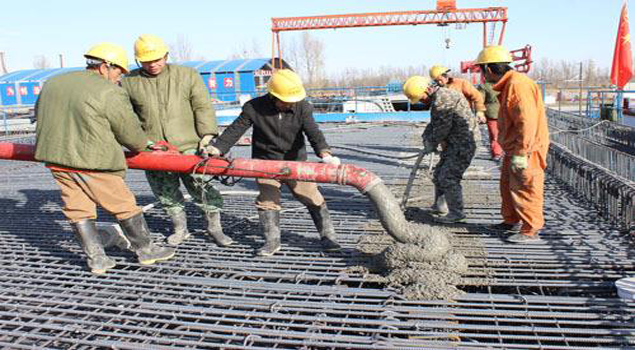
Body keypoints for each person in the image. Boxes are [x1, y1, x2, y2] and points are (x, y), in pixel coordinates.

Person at [34, 43, 175, 274]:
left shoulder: (54, 82)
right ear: (106, 67)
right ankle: (147, 250)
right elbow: (131, 136)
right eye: (118, 72)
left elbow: (40, 114)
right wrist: (146, 144)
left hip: (56, 158)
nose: (118, 78)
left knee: (78, 209)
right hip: (92, 161)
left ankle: (97, 260)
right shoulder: (108, 91)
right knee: (123, 204)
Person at [206, 69, 341, 256]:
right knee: (267, 201)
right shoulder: (253, 108)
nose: (289, 104)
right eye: (285, 101)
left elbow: (313, 132)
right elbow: (236, 129)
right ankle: (272, 241)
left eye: (292, 101)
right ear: (273, 95)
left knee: (312, 197)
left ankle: (328, 237)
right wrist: (218, 148)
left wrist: (325, 154)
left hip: (295, 162)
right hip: (265, 162)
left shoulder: (303, 107)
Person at [122, 34, 232, 247]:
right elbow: (126, 117)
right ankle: (180, 229)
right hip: (153, 149)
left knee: (202, 186)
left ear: (166, 55)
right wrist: (140, 142)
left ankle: (214, 227)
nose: (152, 65)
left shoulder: (186, 75)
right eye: (146, 61)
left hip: (190, 146)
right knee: (165, 190)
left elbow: (202, 106)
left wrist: (207, 136)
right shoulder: (130, 82)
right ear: (138, 60)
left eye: (157, 59)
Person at [474, 45, 550, 244]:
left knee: (525, 186)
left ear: (488, 69)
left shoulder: (518, 85)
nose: (482, 75)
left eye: (481, 70)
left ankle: (530, 229)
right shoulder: (511, 83)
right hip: (514, 147)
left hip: (526, 148)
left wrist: (522, 152)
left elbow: (527, 120)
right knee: (508, 185)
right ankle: (510, 221)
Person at [403, 75, 480, 224]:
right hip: (454, 143)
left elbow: (442, 128)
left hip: (464, 143)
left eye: (421, 98)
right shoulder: (438, 97)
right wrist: (426, 137)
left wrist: (432, 142)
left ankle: (456, 213)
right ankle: (440, 207)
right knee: (439, 174)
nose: (421, 101)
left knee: (448, 177)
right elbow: (434, 123)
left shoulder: (444, 97)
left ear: (427, 89)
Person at [477, 81, 504, 161]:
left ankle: (502, 153)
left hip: (506, 113)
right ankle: (497, 153)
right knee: (495, 135)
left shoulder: (506, 83)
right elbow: (479, 100)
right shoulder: (485, 86)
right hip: (492, 114)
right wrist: (480, 112)